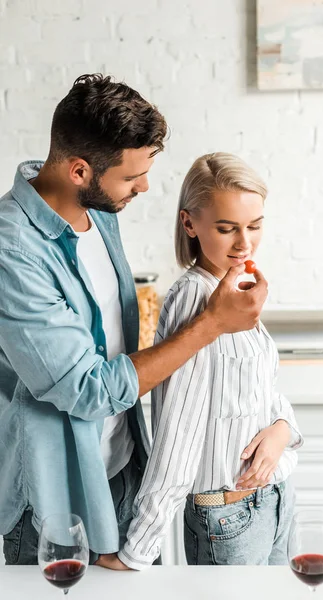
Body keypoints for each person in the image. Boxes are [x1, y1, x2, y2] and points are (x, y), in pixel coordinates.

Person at [0, 77, 268, 565]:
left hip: (125, 469)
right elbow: (88, 390)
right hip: (57, 499)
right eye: (131, 177)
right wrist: (211, 324)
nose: (144, 187)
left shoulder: (98, 211)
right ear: (79, 170)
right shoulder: (12, 251)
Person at [100, 152, 303, 570]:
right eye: (227, 228)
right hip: (229, 519)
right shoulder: (196, 299)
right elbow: (178, 433)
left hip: (277, 500)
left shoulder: (238, 288)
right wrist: (139, 550)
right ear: (189, 223)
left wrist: (284, 429)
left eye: (255, 226)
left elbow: (264, 391)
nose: (244, 243)